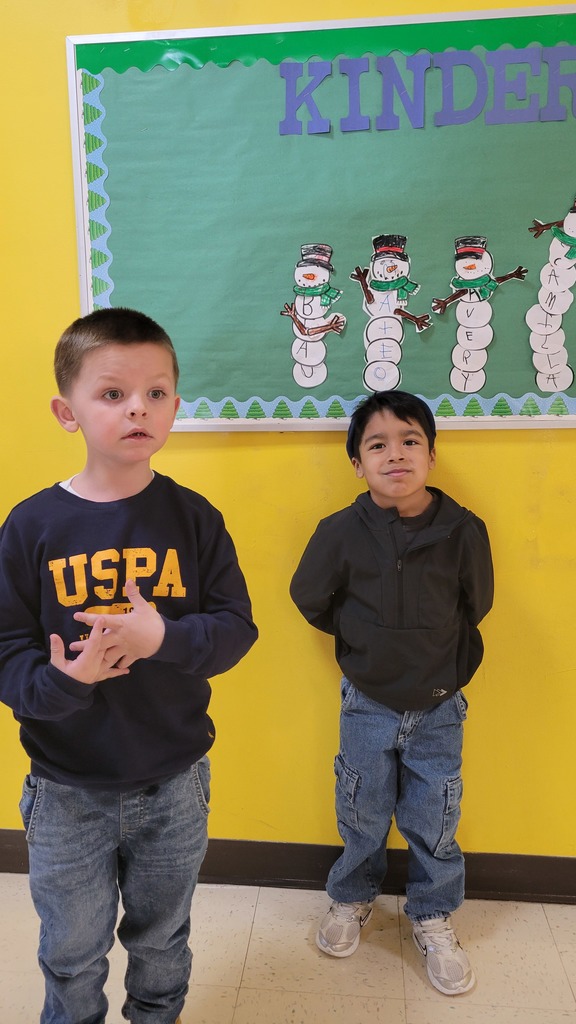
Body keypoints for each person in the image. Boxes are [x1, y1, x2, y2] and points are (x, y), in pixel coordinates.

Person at [0, 307, 258, 1024]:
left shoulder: (195, 519)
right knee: (73, 951)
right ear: (67, 410)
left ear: (176, 404)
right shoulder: (31, 526)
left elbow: (237, 631)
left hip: (174, 784)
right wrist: (62, 683)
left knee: (162, 941)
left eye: (156, 392)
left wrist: (162, 639)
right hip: (65, 790)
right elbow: (7, 653)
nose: (137, 408)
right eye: (112, 393)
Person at [290, 390, 493, 996]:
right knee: (361, 807)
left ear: (432, 453)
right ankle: (352, 898)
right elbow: (310, 599)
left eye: (410, 442)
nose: (395, 455)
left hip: (439, 703)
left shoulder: (463, 531)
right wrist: (362, 645)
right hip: (366, 700)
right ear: (357, 462)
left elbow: (476, 604)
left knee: (435, 816)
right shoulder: (339, 532)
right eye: (377, 445)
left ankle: (431, 914)